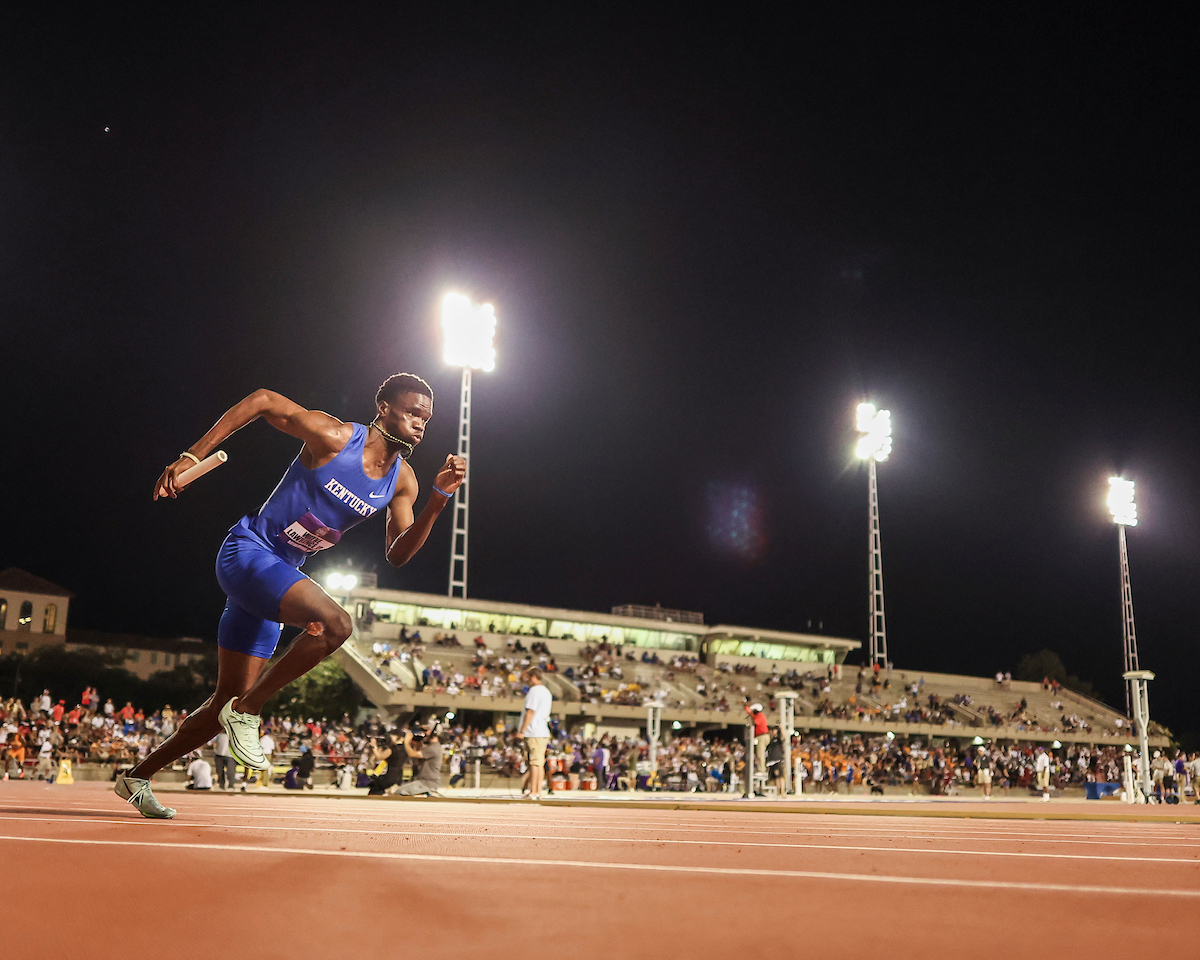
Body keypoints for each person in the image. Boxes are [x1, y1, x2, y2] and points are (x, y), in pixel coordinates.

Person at [114, 374, 466, 818]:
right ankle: (250, 711)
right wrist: (190, 457)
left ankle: (137, 776)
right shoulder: (335, 437)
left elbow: (397, 554)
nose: (421, 423)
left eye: (426, 418)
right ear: (383, 408)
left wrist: (437, 500)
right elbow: (262, 400)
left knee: (224, 701)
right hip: (248, 553)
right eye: (413, 412)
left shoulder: (403, 481)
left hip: (275, 578)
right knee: (338, 625)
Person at [517, 668, 553, 799]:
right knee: (538, 763)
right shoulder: (546, 691)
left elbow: (530, 711)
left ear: (532, 677)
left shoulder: (534, 691)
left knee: (534, 763)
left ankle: (534, 791)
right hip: (541, 730)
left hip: (534, 731)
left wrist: (522, 730)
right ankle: (536, 790)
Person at [397, 727, 444, 796]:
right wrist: (417, 744)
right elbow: (418, 760)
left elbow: (412, 754)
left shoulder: (433, 748)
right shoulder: (430, 746)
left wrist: (406, 743)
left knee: (400, 791)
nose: (423, 734)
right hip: (424, 781)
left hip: (427, 783)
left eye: (426, 731)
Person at [745, 702, 769, 786]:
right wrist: (746, 706)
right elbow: (749, 712)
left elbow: (755, 723)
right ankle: (760, 769)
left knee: (760, 754)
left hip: (762, 736)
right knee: (758, 754)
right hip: (759, 736)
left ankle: (762, 770)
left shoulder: (760, 716)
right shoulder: (757, 715)